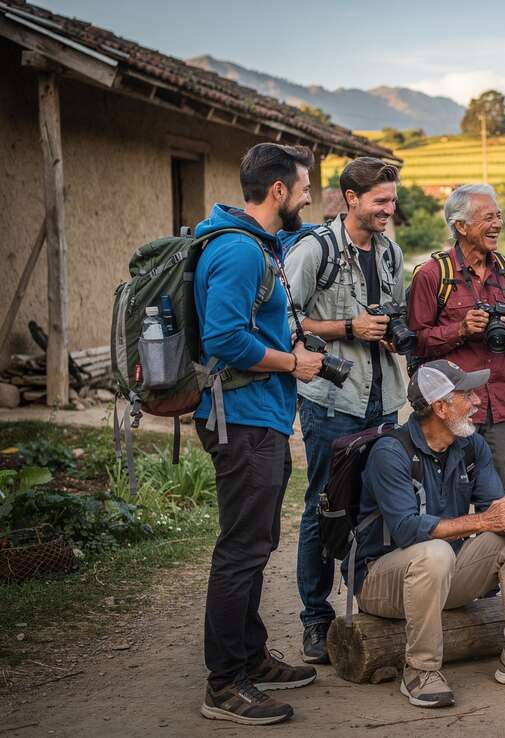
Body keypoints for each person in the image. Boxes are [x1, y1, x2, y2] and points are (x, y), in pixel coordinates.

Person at [350, 361, 505, 708]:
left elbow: (493, 509)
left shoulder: (470, 446)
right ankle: (420, 670)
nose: (477, 401)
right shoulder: (390, 452)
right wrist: (486, 522)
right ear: (440, 407)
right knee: (435, 551)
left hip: (442, 574)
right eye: (466, 394)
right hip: (381, 583)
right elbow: (408, 529)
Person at [193, 143, 325, 725]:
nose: (306, 198)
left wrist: (287, 355)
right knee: (241, 551)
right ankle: (224, 685)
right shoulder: (241, 251)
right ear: (278, 191)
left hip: (258, 416)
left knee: (255, 543)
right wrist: (291, 362)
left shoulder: (255, 246)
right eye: (302, 187)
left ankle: (249, 656)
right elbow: (224, 338)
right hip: (242, 418)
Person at [283, 157, 407, 664]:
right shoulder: (314, 250)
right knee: (324, 505)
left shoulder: (391, 252)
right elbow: (285, 322)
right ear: (351, 199)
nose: (389, 210)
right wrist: (349, 329)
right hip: (332, 401)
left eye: (393, 200)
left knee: (376, 507)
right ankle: (316, 619)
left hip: (384, 400)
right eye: (380, 201)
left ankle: (370, 605)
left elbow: (392, 314)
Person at [407, 183, 505, 484]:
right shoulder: (433, 275)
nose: (498, 225)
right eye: (488, 218)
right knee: (450, 494)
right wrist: (460, 330)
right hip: (452, 408)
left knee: (495, 495)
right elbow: (416, 342)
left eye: (499, 217)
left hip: (501, 406)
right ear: (460, 226)